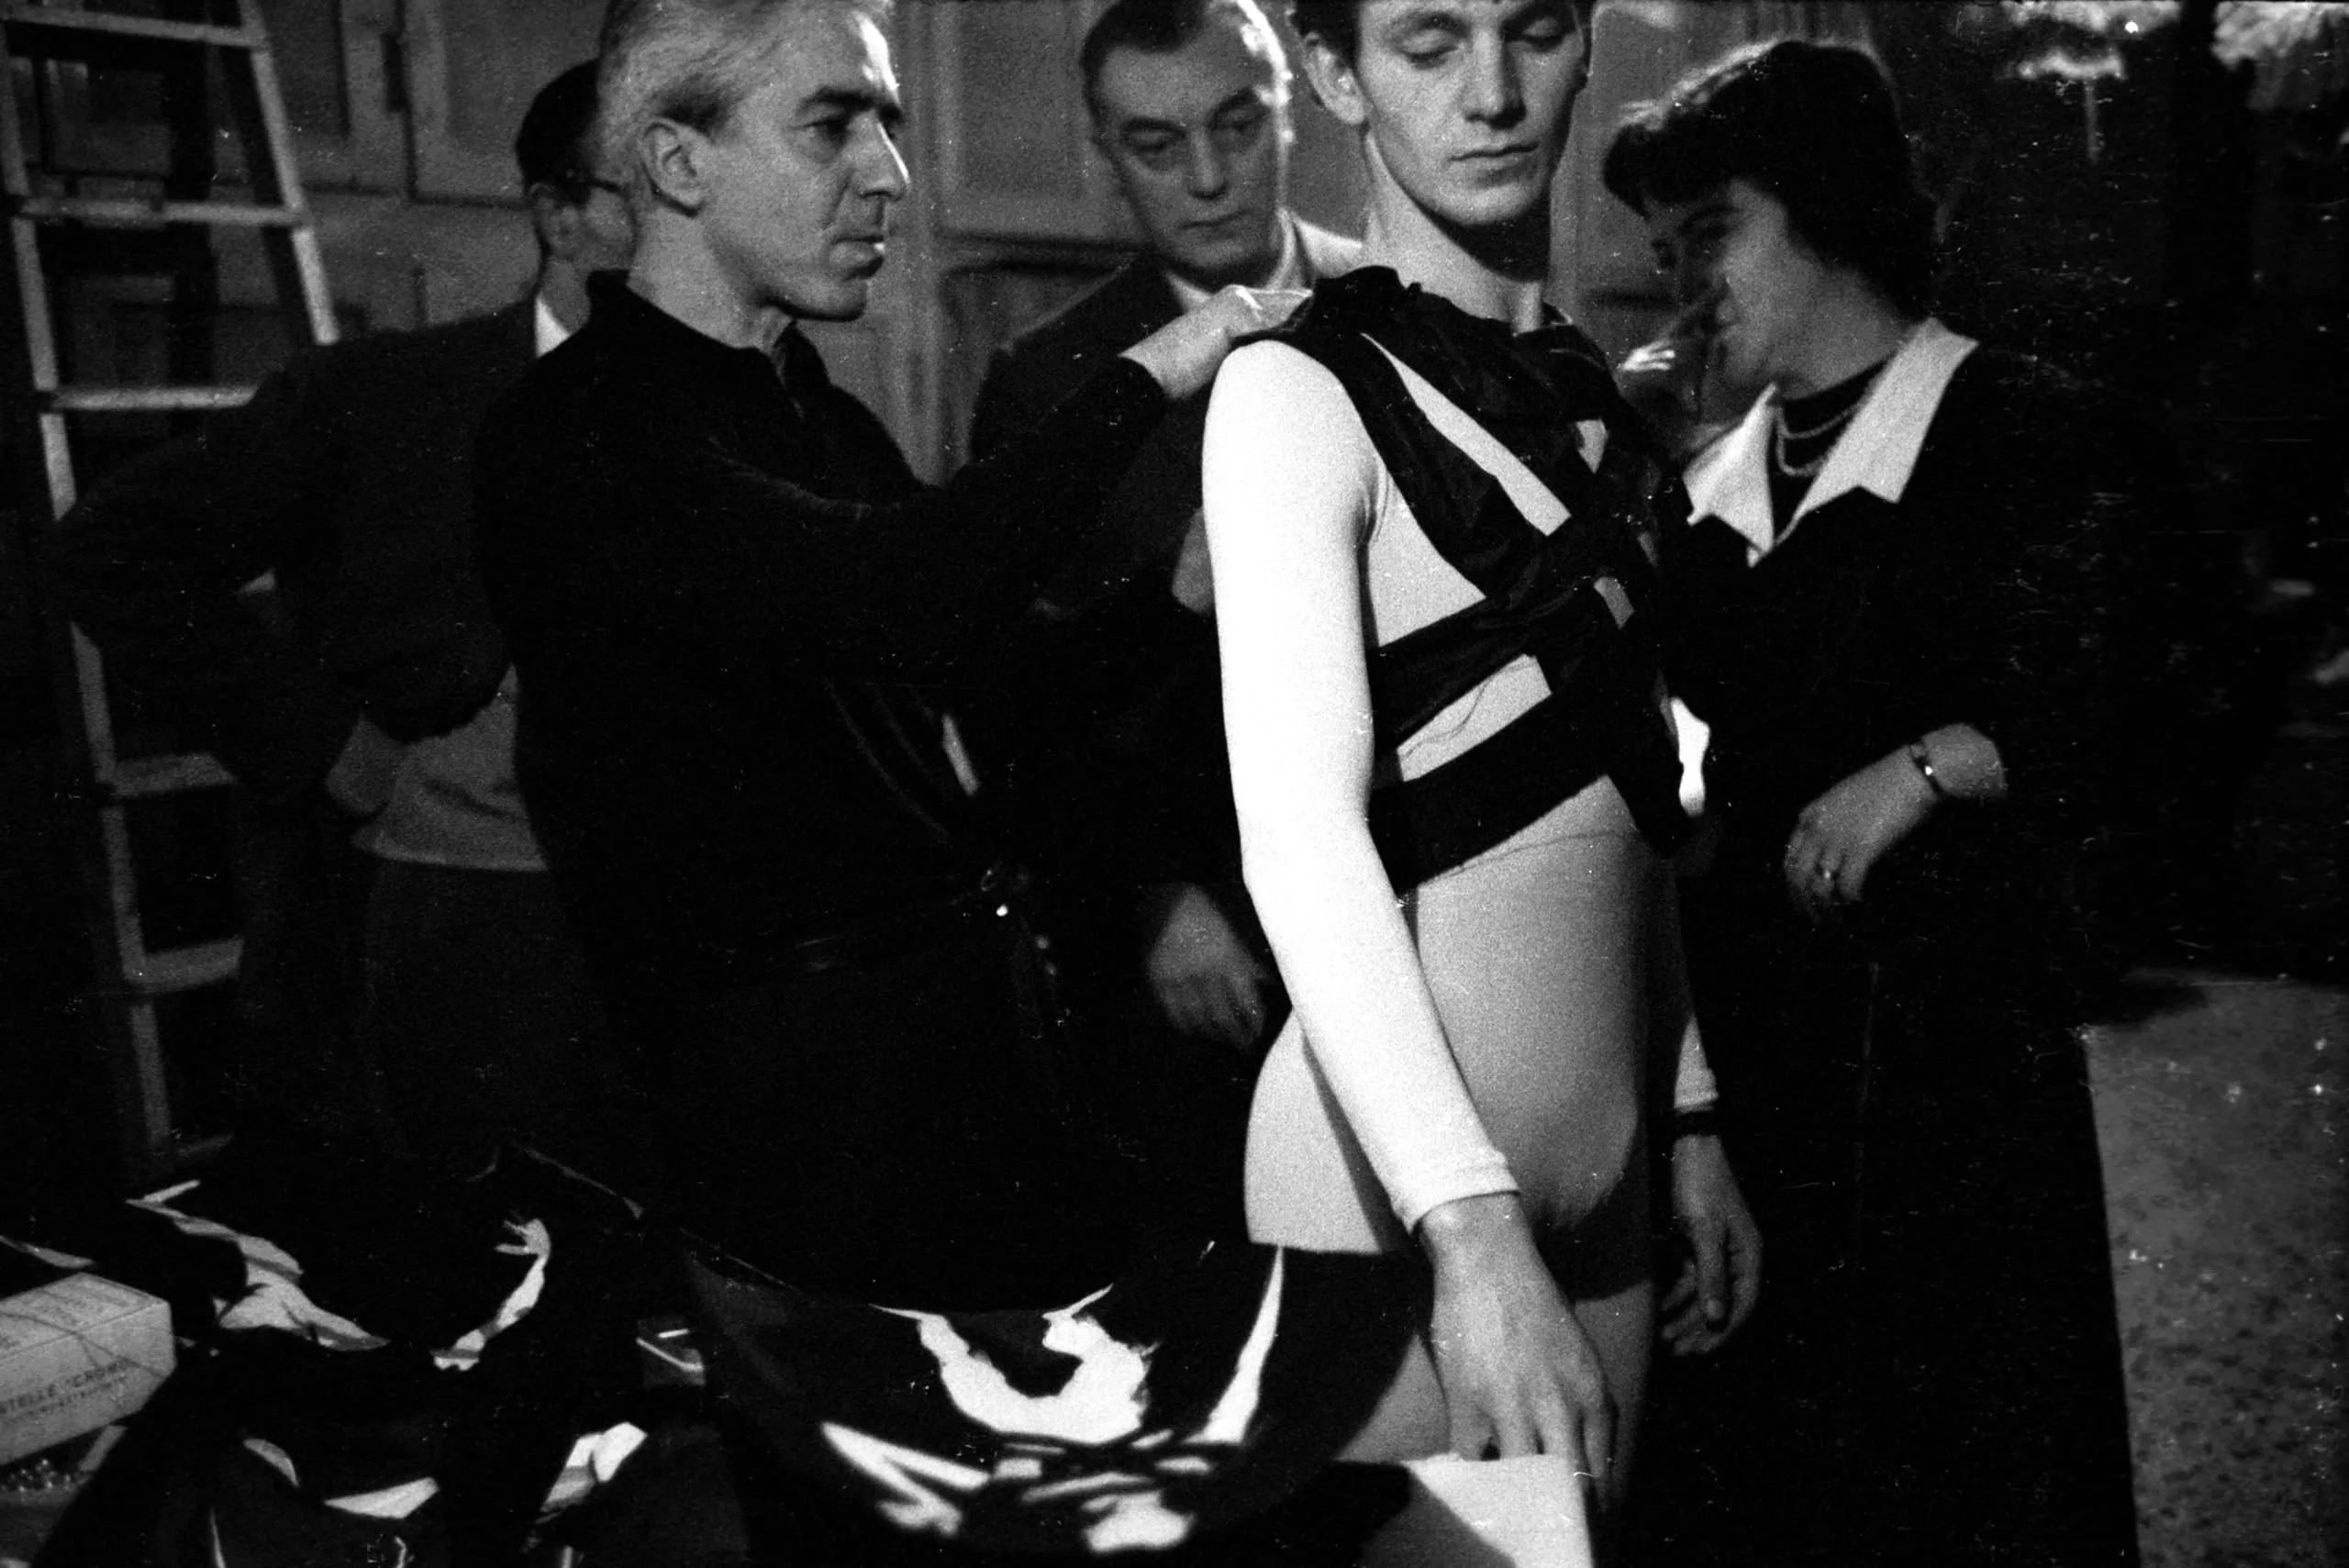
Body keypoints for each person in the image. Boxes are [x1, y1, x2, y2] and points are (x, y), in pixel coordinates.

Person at [471, 4, 1436, 1557]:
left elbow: (1008, 694)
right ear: (677, 162)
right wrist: (1154, 369)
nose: (891, 174)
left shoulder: (814, 412)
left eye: (891, 124)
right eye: (833, 124)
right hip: (799, 1157)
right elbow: (904, 594)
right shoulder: (573, 432)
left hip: (966, 1103)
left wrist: (1178, 592)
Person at [1201, 0, 1759, 1524]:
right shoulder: (1294, 395)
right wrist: (1470, 1227)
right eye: (1430, 42)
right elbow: (1299, 837)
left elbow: (1634, 795)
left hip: (1611, 1163)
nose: (1496, 92)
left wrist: (1691, 1113)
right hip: (1390, 1187)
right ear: (1335, 73)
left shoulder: (1593, 397)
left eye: (1532, 30)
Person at [1602, 39, 2142, 1565]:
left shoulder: (2019, 421)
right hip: (1758, 1064)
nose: (1686, 285)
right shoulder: (1712, 485)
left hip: (1949, 1081)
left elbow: (2153, 701)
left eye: (1715, 233)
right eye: (1667, 250)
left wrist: (1934, 760)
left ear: (1831, 207)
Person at [38, 62, 636, 1175]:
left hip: (647, 982)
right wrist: (321, 741)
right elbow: (112, 551)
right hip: (401, 961)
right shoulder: (379, 397)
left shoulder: (770, 416)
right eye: (653, 194)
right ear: (560, 216)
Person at [964, 0, 1358, 1229]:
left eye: (1236, 125)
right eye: (1156, 144)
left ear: (1290, 112)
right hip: (1202, 944)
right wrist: (1151, 901)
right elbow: (1024, 712)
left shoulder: (1399, 302)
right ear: (1103, 157)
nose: (1207, 176)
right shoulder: (1047, 377)